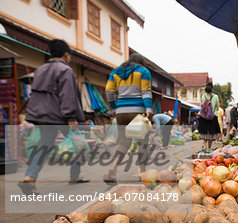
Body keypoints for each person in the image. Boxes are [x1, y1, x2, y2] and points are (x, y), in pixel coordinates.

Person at [18, 39, 87, 195]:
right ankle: (74, 177)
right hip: (60, 115)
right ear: (66, 54)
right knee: (77, 143)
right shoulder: (65, 70)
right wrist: (71, 117)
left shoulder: (40, 70)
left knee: (44, 146)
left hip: (41, 116)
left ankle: (30, 176)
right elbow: (67, 95)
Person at [103, 53, 153, 185]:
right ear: (140, 62)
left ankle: (112, 169)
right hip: (138, 112)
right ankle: (142, 173)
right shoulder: (143, 71)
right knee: (143, 143)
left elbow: (108, 91)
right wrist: (148, 109)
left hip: (121, 113)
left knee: (124, 143)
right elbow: (146, 92)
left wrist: (114, 108)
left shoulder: (115, 72)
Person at [198, 82, 221, 152]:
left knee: (204, 132)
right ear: (212, 89)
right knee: (211, 133)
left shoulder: (203, 96)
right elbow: (217, 108)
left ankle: (204, 145)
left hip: (203, 117)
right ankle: (208, 148)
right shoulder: (215, 96)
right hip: (212, 117)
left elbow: (201, 106)